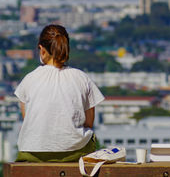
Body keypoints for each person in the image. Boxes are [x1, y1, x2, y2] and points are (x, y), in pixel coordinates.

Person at [15, 24, 105, 162]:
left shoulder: (29, 80)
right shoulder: (81, 78)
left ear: (42, 50)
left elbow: (28, 119)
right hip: (76, 151)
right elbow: (89, 122)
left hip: (33, 152)